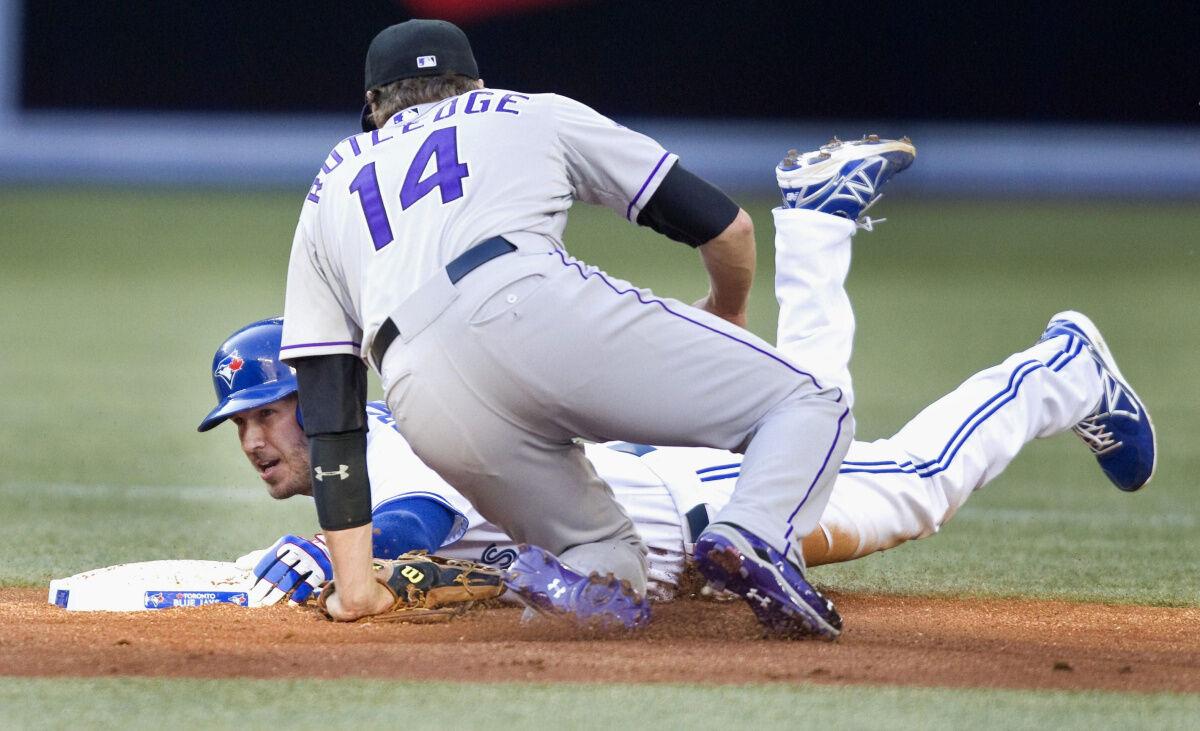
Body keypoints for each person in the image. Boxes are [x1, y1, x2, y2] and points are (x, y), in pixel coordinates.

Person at [205, 140, 1156, 620]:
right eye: (238, 424)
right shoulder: (397, 418)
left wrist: (337, 565)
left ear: (312, 393)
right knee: (809, 405)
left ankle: (1058, 371)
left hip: (685, 507)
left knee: (910, 486)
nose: (253, 440)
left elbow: (419, 527)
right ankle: (820, 223)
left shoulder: (385, 438)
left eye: (267, 412)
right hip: (633, 488)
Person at [278, 19, 916, 637]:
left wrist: (357, 587)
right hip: (523, 302)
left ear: (373, 105)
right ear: (472, 84)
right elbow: (725, 226)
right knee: (809, 399)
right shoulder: (523, 110)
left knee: (601, 551)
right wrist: (728, 308)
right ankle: (751, 533)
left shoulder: (329, 183)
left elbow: (330, 410)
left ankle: (571, 583)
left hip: (417, 387)